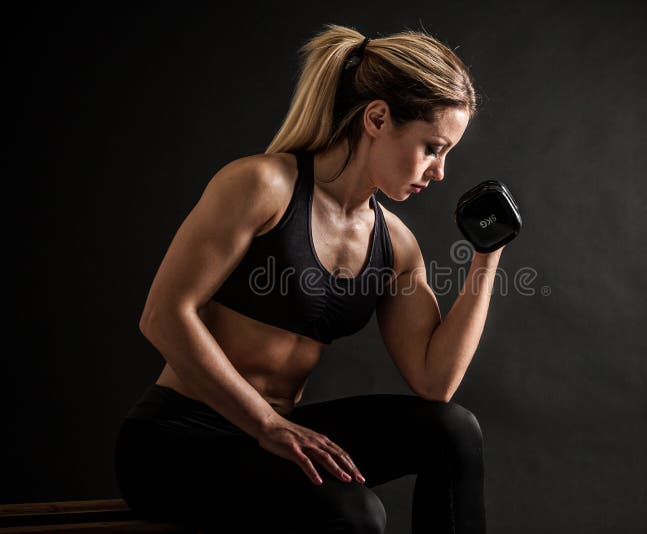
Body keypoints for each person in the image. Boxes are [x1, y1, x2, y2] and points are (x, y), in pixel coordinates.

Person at [115, 23, 505, 533]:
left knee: (452, 431)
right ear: (378, 117)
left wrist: (487, 255)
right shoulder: (262, 185)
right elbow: (163, 316)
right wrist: (267, 424)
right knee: (355, 511)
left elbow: (436, 382)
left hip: (278, 436)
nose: (440, 171)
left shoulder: (397, 244)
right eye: (433, 147)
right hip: (179, 440)